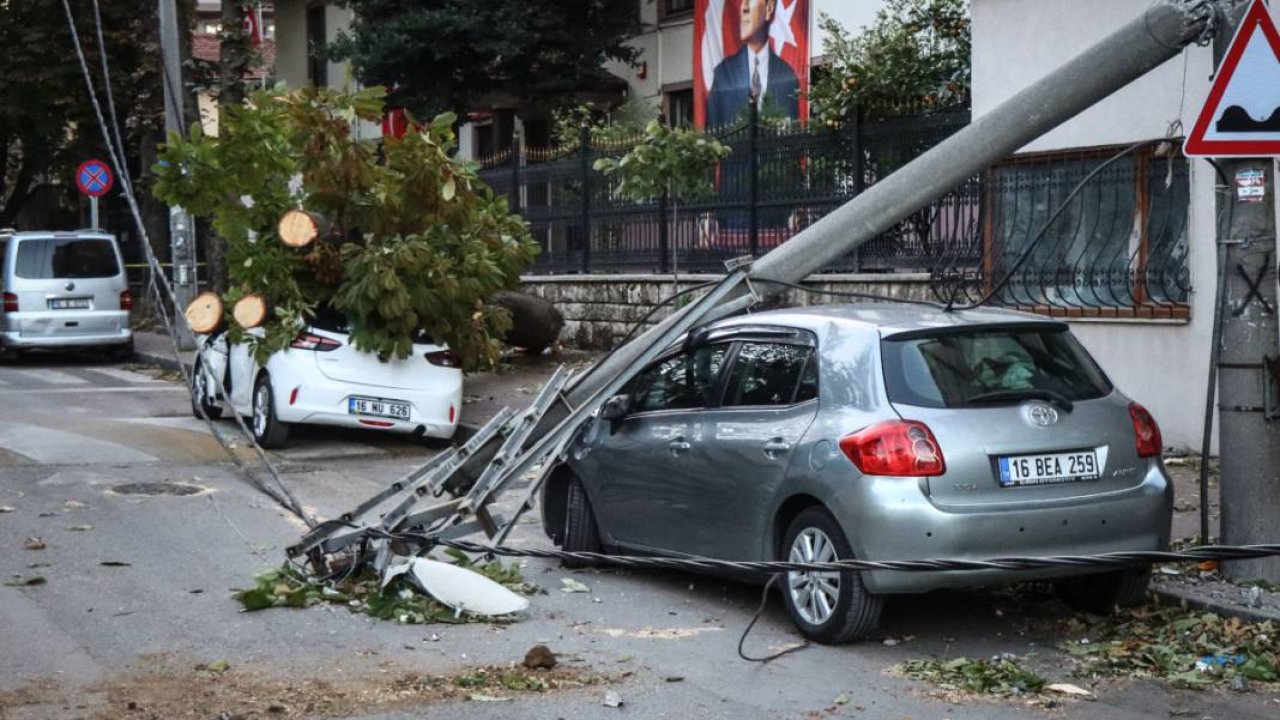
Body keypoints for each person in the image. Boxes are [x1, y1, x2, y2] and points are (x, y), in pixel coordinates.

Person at [706, 0, 800, 128]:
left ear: (769, 9)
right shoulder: (723, 74)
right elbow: (712, 132)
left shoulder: (787, 75)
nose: (743, 8)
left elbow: (793, 134)